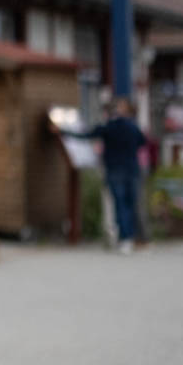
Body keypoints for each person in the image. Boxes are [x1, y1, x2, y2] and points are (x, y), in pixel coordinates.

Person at [59, 97, 147, 254]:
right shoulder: (133, 127)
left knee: (120, 204)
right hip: (132, 169)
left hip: (114, 169)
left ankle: (125, 238)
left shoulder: (109, 126)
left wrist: (62, 131)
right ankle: (133, 238)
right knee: (131, 204)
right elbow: (142, 141)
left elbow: (86, 135)